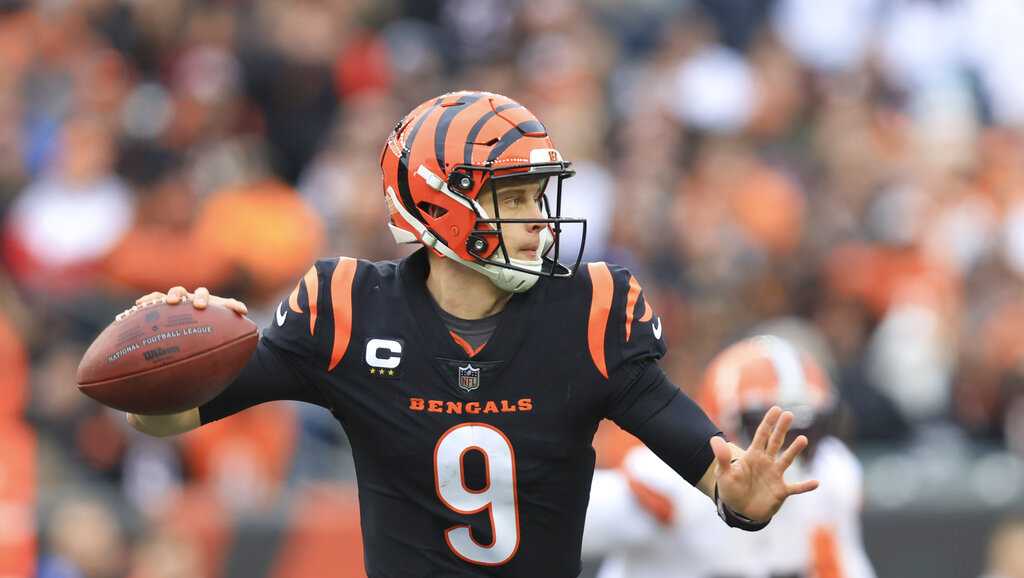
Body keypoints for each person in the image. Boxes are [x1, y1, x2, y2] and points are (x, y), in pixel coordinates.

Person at [125, 91, 818, 578]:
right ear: (439, 205)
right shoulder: (347, 309)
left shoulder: (588, 314)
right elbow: (164, 417)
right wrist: (165, 360)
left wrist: (743, 502)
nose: (538, 219)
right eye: (513, 198)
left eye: (536, 197)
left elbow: (711, 468)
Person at [584, 335, 876, 578]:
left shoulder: (830, 476)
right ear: (719, 422)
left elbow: (847, 567)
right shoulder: (669, 484)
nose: (786, 449)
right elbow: (553, 523)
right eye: (767, 427)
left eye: (808, 427)